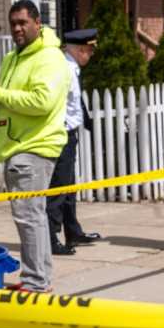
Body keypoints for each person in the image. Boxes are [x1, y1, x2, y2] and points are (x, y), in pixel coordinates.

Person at [0, 0, 68, 292]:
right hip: (17, 147)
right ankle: (38, 277)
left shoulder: (50, 58)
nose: (17, 28)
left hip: (34, 148)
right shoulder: (12, 58)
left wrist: (3, 94)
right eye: (13, 24)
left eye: (23, 22)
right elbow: (10, 98)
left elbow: (42, 102)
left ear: (37, 23)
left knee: (28, 216)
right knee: (33, 215)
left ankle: (36, 280)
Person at [48, 27, 102, 255]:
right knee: (58, 188)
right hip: (62, 135)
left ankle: (73, 230)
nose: (90, 55)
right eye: (89, 51)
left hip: (69, 134)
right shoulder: (66, 69)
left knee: (68, 186)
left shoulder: (71, 68)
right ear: (80, 50)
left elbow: (75, 102)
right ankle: (50, 237)